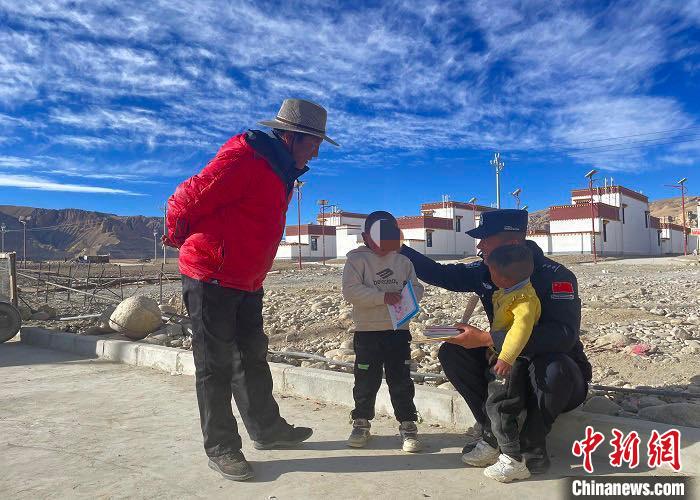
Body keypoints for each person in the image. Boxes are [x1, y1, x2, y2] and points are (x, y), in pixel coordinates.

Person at [164, 98, 338, 481]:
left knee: (252, 358)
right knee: (214, 366)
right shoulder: (244, 157)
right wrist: (180, 239)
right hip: (210, 276)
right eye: (313, 143)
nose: (316, 152)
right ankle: (221, 447)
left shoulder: (281, 169)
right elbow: (185, 199)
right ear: (291, 137)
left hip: (247, 280)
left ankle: (267, 430)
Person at [399, 209, 591, 474]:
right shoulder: (486, 269)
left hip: (554, 379)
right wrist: (398, 248)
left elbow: (563, 335)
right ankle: (493, 431)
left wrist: (487, 338)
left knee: (554, 368)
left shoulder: (556, 275)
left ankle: (532, 443)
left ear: (511, 241)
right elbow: (442, 274)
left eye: (486, 239)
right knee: (452, 352)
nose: (479, 245)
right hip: (506, 368)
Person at [342, 211, 425, 452]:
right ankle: (361, 422)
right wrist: (383, 297)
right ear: (365, 237)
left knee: (401, 379)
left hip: (398, 332)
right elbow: (351, 291)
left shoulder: (403, 262)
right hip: (367, 332)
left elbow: (417, 288)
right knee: (365, 379)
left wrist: (409, 297)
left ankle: (408, 425)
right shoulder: (356, 260)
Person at [461, 244, 541, 483]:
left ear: (503, 277)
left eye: (491, 271)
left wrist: (506, 357)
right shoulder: (510, 291)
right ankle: (491, 445)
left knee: (501, 408)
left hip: (512, 362)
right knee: (492, 402)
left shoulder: (524, 300)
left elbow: (519, 332)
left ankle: (513, 459)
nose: (489, 275)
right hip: (501, 356)